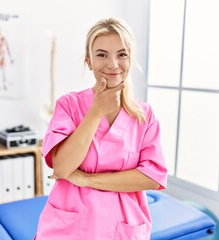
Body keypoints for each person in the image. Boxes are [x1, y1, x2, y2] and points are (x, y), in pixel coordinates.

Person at [35, 17, 167, 240]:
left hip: (121, 228)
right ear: (89, 61)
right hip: (69, 228)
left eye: (122, 54)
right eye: (102, 54)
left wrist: (88, 180)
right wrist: (95, 112)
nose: (113, 64)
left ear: (131, 58)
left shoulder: (145, 116)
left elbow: (152, 177)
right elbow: (63, 166)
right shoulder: (69, 105)